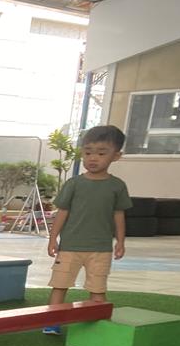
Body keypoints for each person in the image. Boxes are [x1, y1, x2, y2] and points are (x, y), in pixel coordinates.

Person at [43, 125, 130, 334]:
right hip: (69, 247)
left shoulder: (117, 186)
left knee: (97, 289)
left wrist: (120, 241)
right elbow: (62, 213)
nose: (93, 158)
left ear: (116, 156)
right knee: (60, 285)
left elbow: (119, 215)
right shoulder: (74, 184)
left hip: (101, 249)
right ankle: (52, 322)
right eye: (88, 152)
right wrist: (53, 238)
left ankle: (98, 326)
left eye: (101, 153)